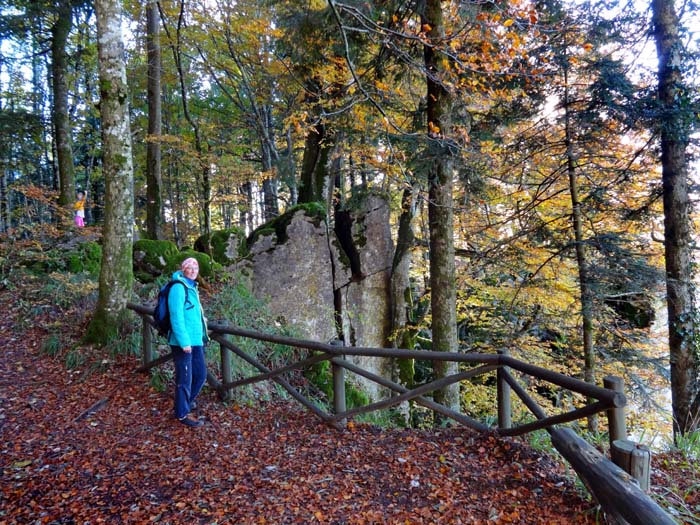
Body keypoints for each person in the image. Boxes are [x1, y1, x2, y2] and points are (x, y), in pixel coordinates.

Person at [168, 257, 209, 427]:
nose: (193, 271)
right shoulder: (178, 288)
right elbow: (176, 316)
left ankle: (184, 402)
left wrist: (203, 335)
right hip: (182, 343)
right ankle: (182, 414)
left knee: (200, 375)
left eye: (195, 268)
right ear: (183, 269)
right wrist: (184, 342)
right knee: (185, 378)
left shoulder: (192, 287)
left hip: (196, 340)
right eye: (189, 268)